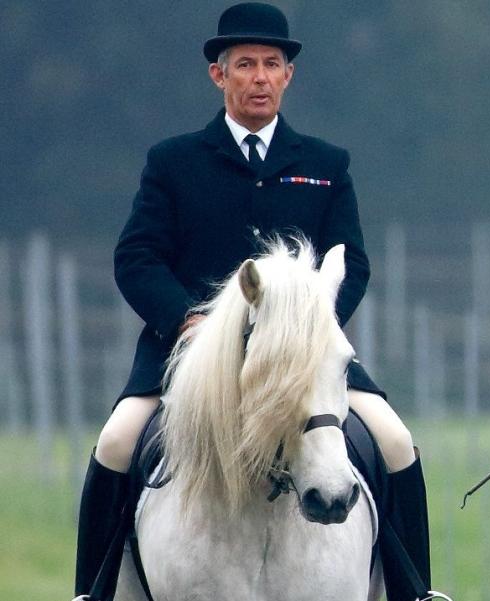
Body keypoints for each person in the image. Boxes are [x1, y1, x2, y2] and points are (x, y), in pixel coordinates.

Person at [73, 4, 438, 601]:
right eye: (246, 65)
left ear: (288, 75)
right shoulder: (173, 161)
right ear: (220, 76)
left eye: (272, 64)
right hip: (191, 358)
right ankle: (92, 589)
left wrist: (307, 331)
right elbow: (137, 258)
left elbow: (354, 261)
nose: (260, 77)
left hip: (304, 358)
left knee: (395, 442)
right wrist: (186, 321)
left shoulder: (325, 164)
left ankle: (414, 589)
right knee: (116, 443)